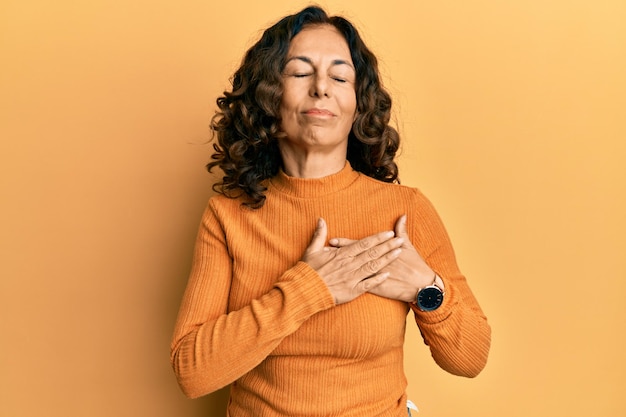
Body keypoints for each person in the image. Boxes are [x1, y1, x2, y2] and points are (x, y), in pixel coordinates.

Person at [170, 6, 491, 417]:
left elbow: (471, 358)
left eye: (340, 77)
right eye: (301, 73)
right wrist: (310, 288)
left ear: (357, 105)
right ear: (268, 96)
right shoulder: (227, 215)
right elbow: (192, 372)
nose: (321, 88)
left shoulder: (404, 210)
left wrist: (426, 288)